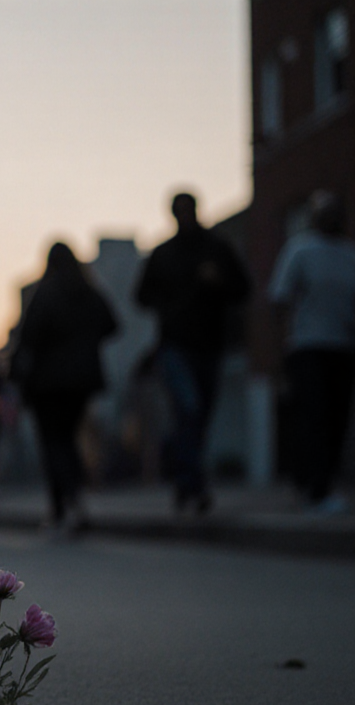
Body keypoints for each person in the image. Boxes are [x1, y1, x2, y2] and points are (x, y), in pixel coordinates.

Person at [135, 192, 250, 515]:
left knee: (199, 417)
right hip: (174, 346)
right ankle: (192, 484)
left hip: (210, 345)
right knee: (189, 408)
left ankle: (186, 483)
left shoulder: (217, 248)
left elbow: (243, 289)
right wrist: (169, 305)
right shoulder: (163, 254)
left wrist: (219, 281)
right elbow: (141, 296)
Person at [12, 243, 118, 534]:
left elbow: (27, 337)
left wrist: (14, 373)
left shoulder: (45, 293)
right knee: (67, 439)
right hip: (81, 382)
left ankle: (68, 503)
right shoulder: (89, 292)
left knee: (54, 443)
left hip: (48, 383)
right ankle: (64, 506)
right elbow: (112, 325)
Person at [269, 191, 355, 517]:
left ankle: (323, 484)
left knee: (337, 420)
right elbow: (280, 299)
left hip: (342, 349)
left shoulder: (349, 255)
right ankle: (313, 488)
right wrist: (281, 347)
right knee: (313, 417)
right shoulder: (300, 251)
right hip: (306, 347)